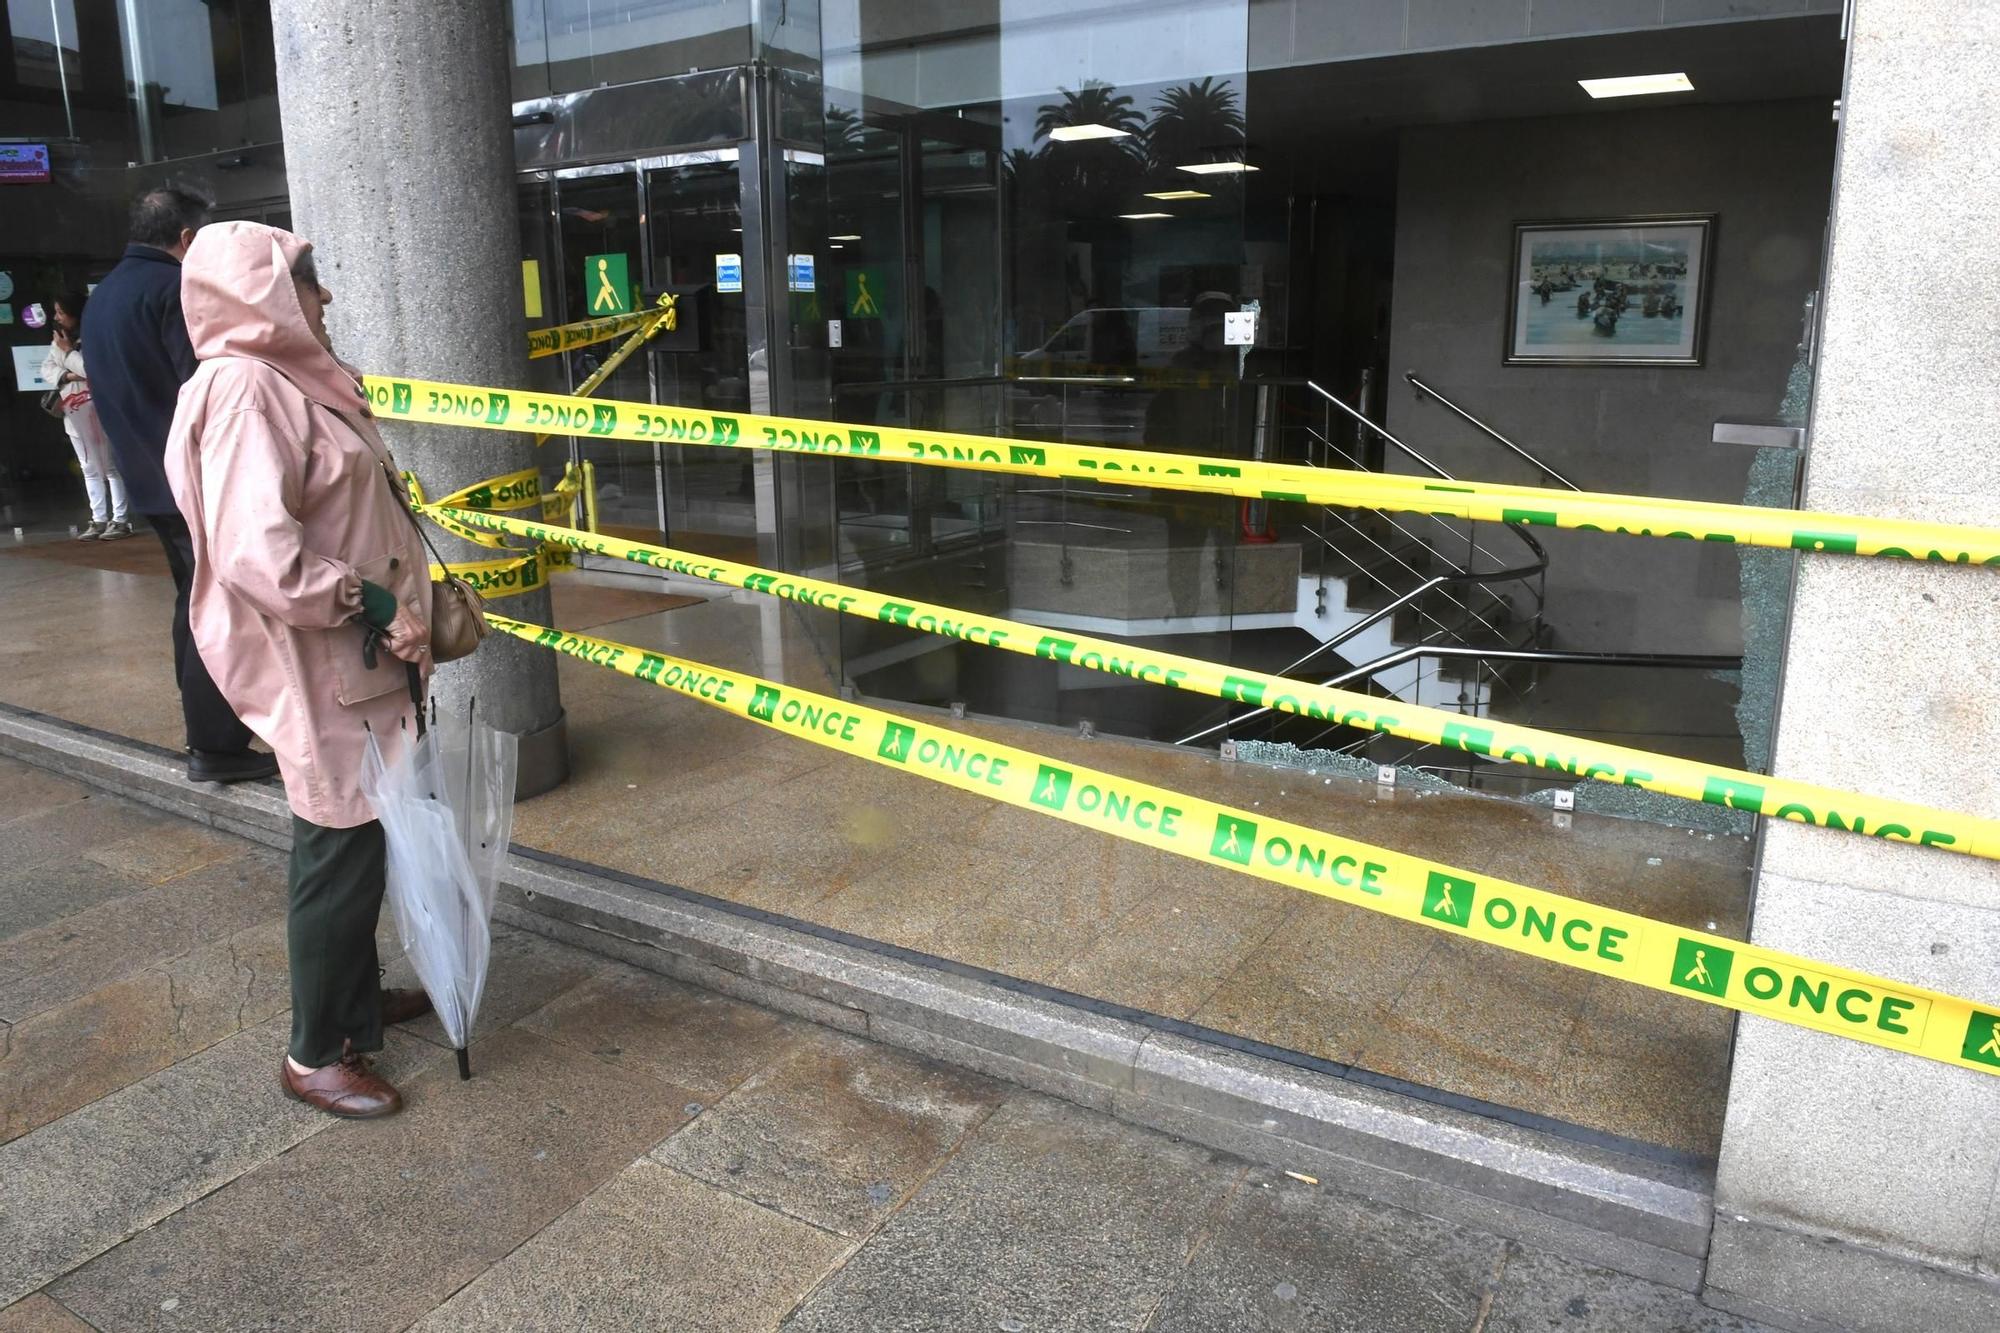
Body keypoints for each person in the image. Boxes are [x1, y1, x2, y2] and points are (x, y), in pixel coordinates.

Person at [165, 220, 444, 1119]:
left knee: (363, 834)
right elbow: (259, 551)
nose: (323, 297)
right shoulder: (248, 388)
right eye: (308, 281)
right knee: (337, 841)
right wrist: (368, 601)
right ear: (261, 295)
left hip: (356, 657)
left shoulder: (287, 379)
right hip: (327, 656)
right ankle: (315, 1049)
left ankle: (355, 1008)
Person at [87, 184, 277, 785]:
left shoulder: (104, 295)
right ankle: (216, 745)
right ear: (188, 238)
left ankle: (210, 730)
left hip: (148, 479)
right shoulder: (175, 289)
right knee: (216, 611)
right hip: (195, 480)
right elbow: (206, 392)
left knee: (191, 606)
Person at [40, 290, 133, 540]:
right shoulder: (59, 340)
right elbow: (47, 368)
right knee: (89, 466)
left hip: (100, 408)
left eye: (62, 312)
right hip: (74, 411)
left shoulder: (94, 336)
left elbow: (92, 369)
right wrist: (69, 374)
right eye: (56, 312)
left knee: (110, 467)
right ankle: (98, 519)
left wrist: (69, 354)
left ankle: (121, 520)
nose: (57, 317)